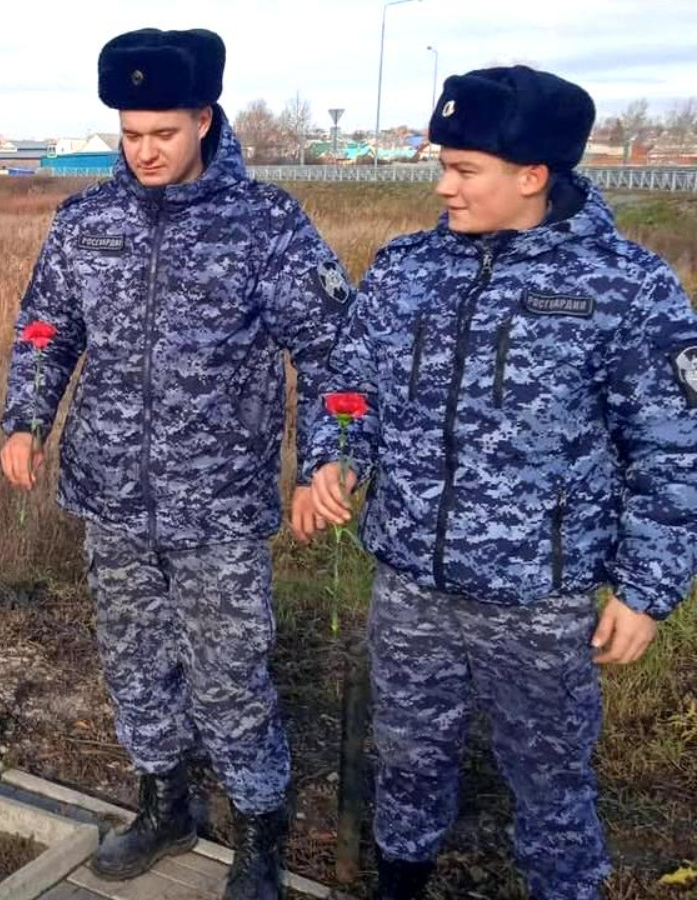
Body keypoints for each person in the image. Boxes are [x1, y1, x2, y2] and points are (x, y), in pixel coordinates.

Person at [293, 66, 697, 900]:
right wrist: (336, 456)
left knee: (550, 782)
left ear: (532, 175)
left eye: (464, 169)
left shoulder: (626, 289)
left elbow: (673, 448)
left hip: (540, 604)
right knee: (407, 756)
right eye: (443, 163)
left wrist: (648, 589)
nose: (442, 185)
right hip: (409, 584)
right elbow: (349, 388)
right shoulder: (404, 269)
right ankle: (400, 883)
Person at [0, 27, 352, 899]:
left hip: (220, 503)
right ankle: (164, 804)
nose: (144, 151)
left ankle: (259, 829)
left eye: (162, 132)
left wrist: (325, 462)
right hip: (111, 492)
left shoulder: (268, 225)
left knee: (231, 672)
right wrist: (25, 420)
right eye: (130, 133)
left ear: (204, 118)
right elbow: (46, 328)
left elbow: (335, 354)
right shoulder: (87, 222)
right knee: (133, 659)